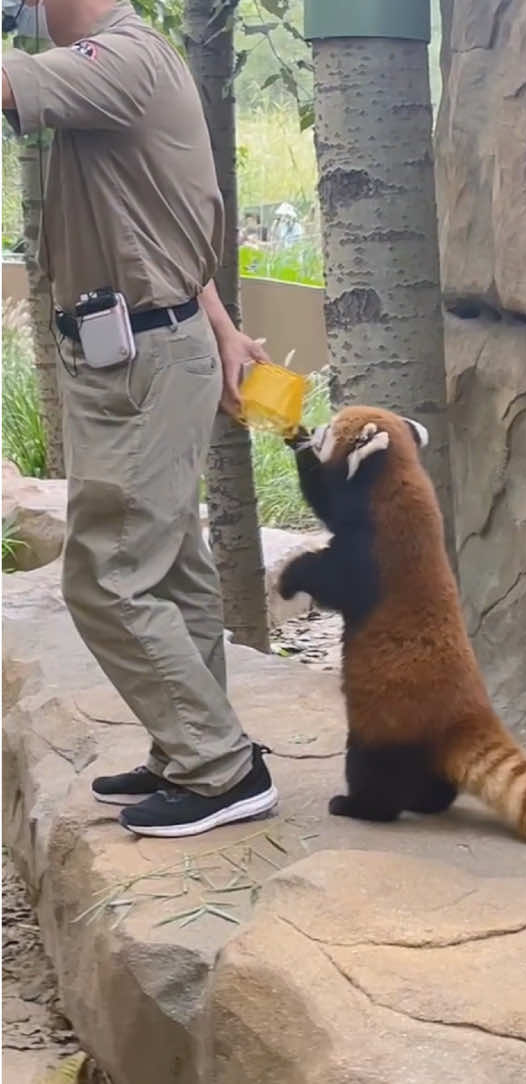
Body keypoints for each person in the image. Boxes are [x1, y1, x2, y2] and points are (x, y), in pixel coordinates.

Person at [1, 0, 279, 838]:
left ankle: (220, 768)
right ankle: (188, 745)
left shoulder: (121, 61)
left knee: (108, 575)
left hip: (143, 363)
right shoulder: (116, 71)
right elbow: (165, 217)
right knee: (169, 566)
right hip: (149, 346)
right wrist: (225, 329)